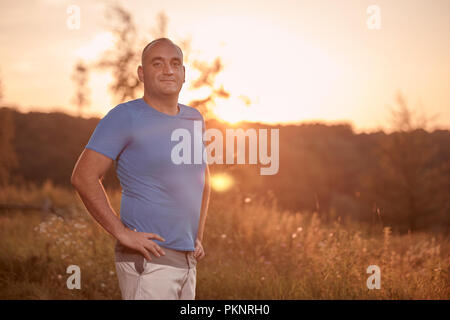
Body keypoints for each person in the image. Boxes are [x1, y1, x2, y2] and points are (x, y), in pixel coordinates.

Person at [71, 38, 211, 300]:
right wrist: (122, 233)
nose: (168, 70)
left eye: (175, 63)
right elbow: (83, 176)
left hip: (188, 261)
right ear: (141, 73)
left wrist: (197, 236)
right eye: (157, 63)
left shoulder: (194, 118)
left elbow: (202, 180)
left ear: (183, 73)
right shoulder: (125, 117)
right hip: (148, 261)